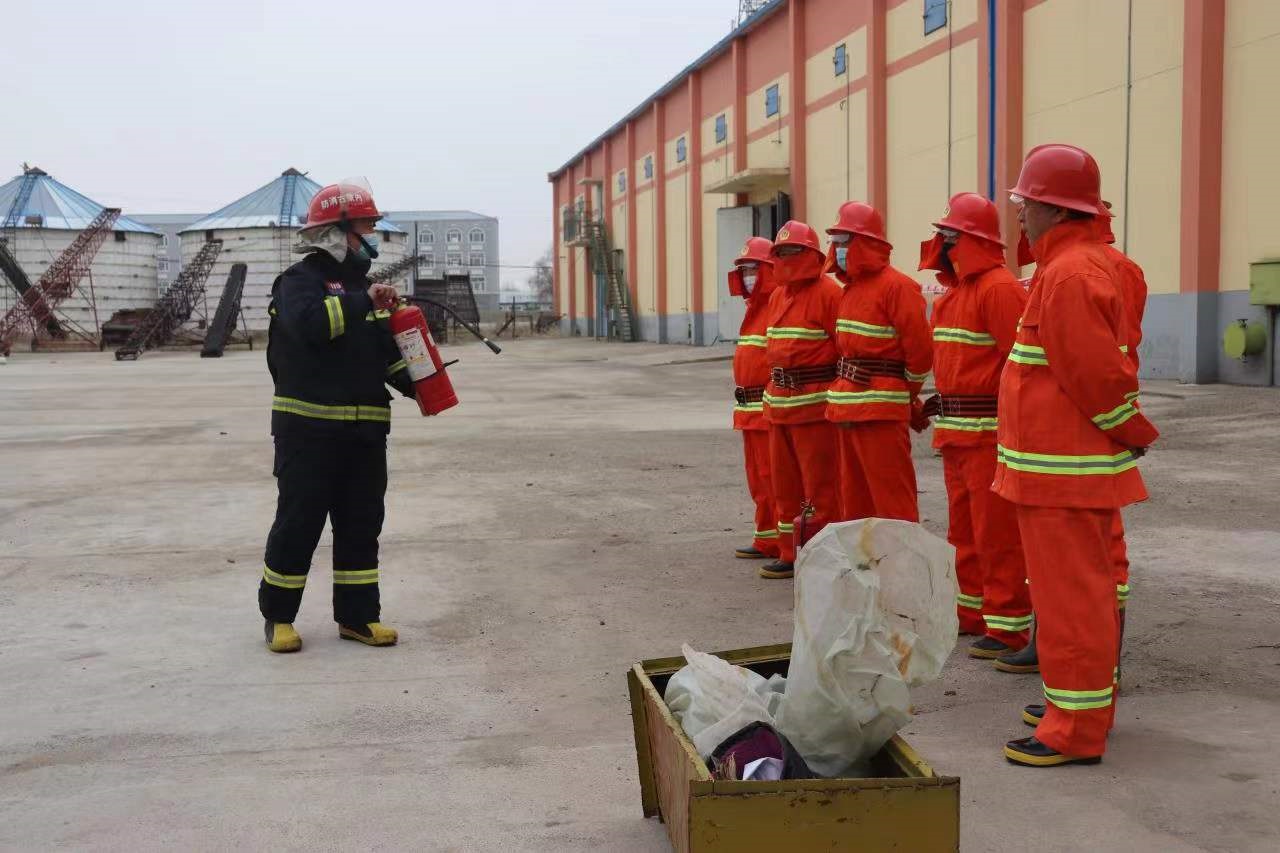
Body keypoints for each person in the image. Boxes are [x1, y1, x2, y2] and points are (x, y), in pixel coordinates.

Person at [996, 144, 1158, 767]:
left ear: (1056, 209)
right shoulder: (1071, 266)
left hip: (1062, 474)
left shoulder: (1068, 274)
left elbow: (1094, 376)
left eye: (1027, 203)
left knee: (1072, 602)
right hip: (1058, 472)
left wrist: (1130, 430)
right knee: (1075, 597)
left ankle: (1074, 731)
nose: (1020, 214)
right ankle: (1075, 711)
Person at [258, 181, 415, 653]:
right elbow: (312, 326)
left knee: (361, 527)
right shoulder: (297, 283)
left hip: (365, 434)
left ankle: (358, 618)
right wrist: (367, 301)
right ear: (335, 231)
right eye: (366, 227)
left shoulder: (365, 290)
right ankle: (279, 618)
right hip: (308, 433)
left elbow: (383, 356)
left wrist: (421, 381)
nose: (372, 237)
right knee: (298, 525)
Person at [917, 193, 1032, 659]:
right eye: (943, 236)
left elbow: (1023, 365)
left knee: (996, 535)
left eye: (951, 236)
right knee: (963, 534)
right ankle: (972, 613)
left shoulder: (998, 290)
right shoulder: (954, 295)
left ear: (974, 240)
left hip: (988, 436)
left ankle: (1008, 626)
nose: (942, 244)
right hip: (956, 433)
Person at [823, 202, 931, 523]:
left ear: (865, 242)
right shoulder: (851, 290)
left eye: (844, 241)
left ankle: (899, 557)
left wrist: (905, 395)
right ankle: (863, 557)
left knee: (892, 503)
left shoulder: (898, 287)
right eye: (836, 242)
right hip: (847, 410)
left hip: (880, 412)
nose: (838, 249)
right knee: (855, 503)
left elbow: (921, 354)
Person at [759, 221, 843, 580]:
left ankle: (822, 556)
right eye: (780, 252)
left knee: (820, 489)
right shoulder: (778, 296)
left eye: (794, 251)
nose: (786, 258)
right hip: (779, 408)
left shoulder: (829, 293)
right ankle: (789, 551)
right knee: (785, 487)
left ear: (812, 254)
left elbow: (844, 350)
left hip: (814, 409)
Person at [728, 237, 782, 561]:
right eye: (745, 271)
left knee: (773, 478)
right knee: (758, 479)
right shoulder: (754, 310)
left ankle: (783, 541)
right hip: (749, 410)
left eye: (754, 270)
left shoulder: (777, 305)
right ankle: (765, 538)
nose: (749, 277)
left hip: (767, 409)